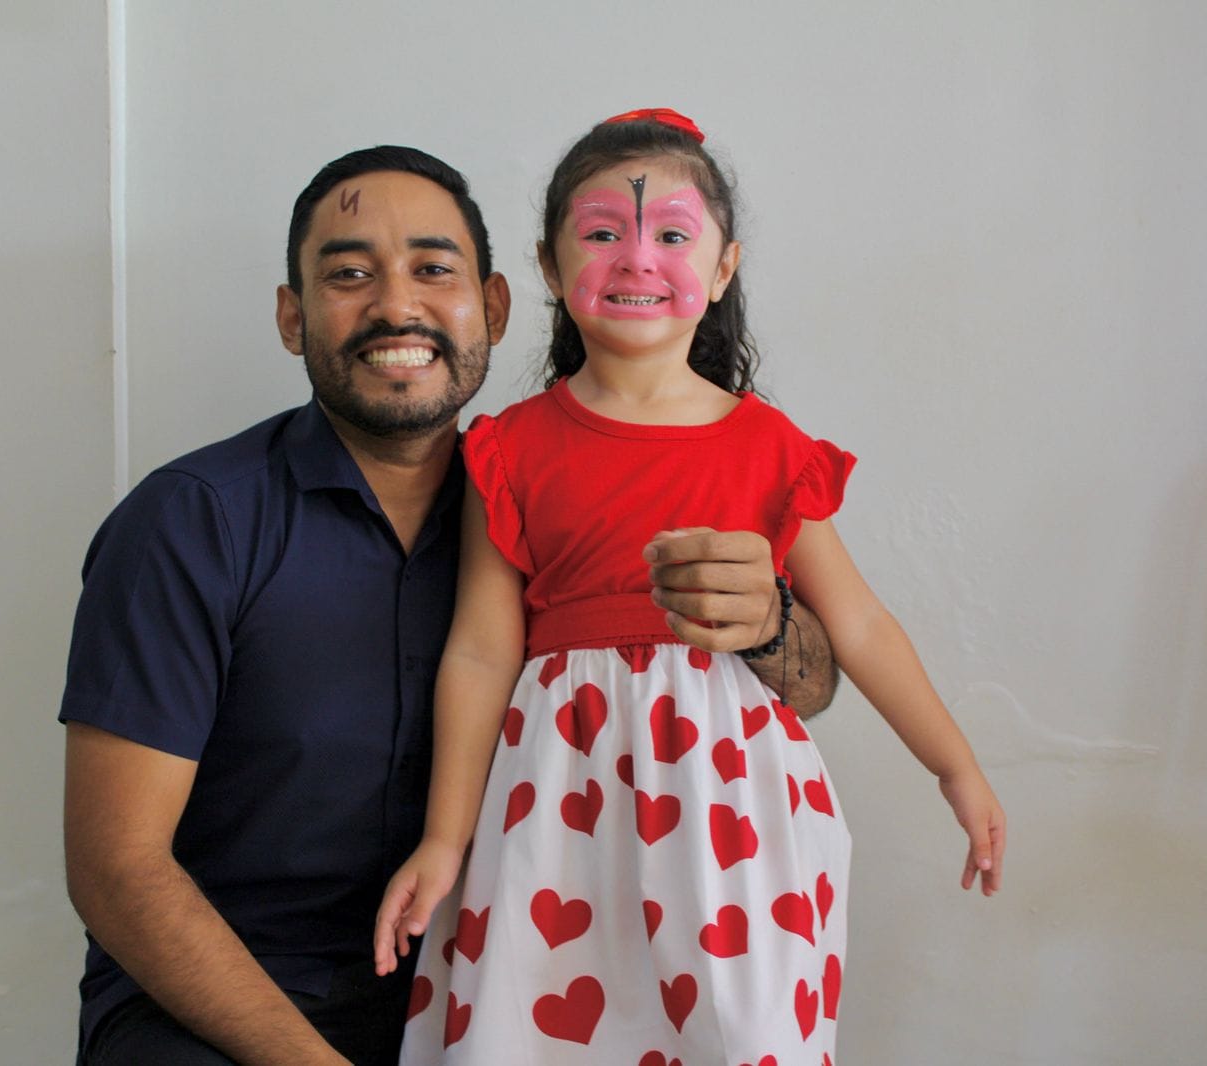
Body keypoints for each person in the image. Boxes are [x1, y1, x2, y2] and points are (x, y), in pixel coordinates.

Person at [59, 144, 840, 1066]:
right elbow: (117, 870)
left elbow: (811, 687)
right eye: (349, 274)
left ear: (497, 306)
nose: (397, 306)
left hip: (497, 991)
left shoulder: (548, 504)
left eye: (434, 270)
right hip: (225, 1014)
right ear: (291, 317)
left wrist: (769, 626)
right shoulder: (193, 523)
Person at [374, 110, 1008, 1064]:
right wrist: (443, 839)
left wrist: (955, 768)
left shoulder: (770, 448)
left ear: (722, 269)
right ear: (549, 267)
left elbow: (861, 625)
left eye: (672, 236)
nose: (637, 257)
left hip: (734, 814)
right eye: (602, 233)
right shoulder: (509, 448)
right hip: (559, 801)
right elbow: (480, 651)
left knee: (738, 1030)